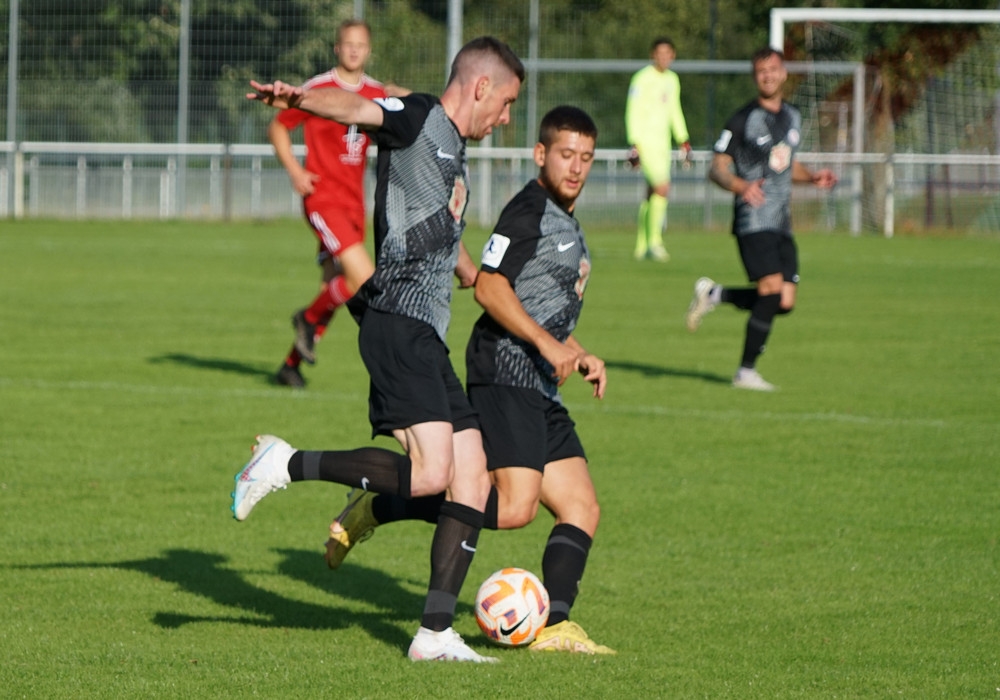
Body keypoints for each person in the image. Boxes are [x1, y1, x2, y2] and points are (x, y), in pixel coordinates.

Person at [232, 36, 525, 663]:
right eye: (506, 103)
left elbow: (437, 224)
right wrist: (299, 99)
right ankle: (284, 463)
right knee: (431, 475)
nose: (505, 118)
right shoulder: (417, 116)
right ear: (481, 87)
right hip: (397, 322)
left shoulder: (453, 147)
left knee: (471, 479)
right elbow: (356, 108)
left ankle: (434, 634)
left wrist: (468, 269)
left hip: (427, 334)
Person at [322, 106, 614, 655]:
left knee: (582, 505)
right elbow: (490, 287)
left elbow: (536, 303)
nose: (576, 167)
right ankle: (377, 506)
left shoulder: (565, 216)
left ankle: (555, 625)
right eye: (566, 155)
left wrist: (575, 353)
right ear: (541, 154)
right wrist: (549, 345)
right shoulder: (528, 211)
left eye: (586, 157)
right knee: (513, 507)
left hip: (539, 379)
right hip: (504, 371)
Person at [686, 47, 837, 391]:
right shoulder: (742, 120)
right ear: (755, 77)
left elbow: (784, 164)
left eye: (772, 69)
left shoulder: (793, 116)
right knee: (769, 290)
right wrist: (741, 186)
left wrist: (812, 177)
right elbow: (716, 168)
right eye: (761, 71)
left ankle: (715, 294)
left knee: (783, 301)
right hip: (753, 221)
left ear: (783, 73)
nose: (767, 76)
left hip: (782, 221)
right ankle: (745, 373)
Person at [269, 19, 398, 388]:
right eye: (348, 43)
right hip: (323, 200)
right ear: (337, 48)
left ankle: (290, 366)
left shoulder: (376, 93)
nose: (354, 50)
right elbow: (278, 125)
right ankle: (307, 319)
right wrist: (295, 170)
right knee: (363, 280)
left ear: (368, 50)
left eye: (361, 44)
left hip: (355, 205)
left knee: (335, 287)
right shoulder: (318, 89)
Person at [625, 36, 692, 263]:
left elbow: (675, 110)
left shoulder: (672, 79)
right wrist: (634, 142)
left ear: (673, 55)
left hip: (663, 144)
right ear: (653, 55)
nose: (664, 57)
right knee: (663, 188)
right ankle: (655, 242)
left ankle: (641, 244)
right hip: (645, 144)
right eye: (659, 53)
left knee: (651, 193)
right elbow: (632, 110)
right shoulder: (641, 78)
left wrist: (682, 138)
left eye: (668, 53)